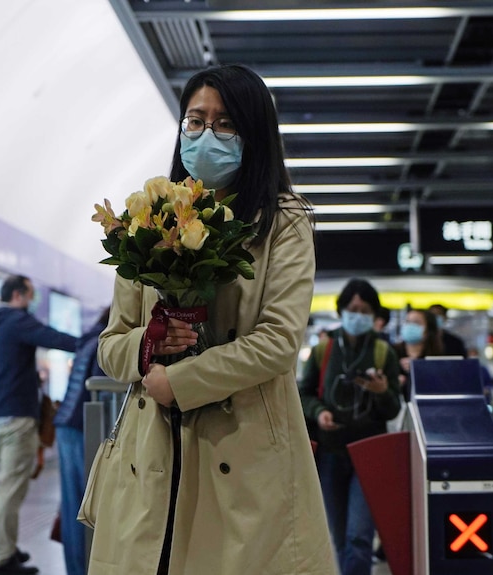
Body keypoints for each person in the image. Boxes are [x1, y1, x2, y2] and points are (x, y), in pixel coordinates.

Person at [93, 65, 336, 575]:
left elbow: (279, 341)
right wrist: (148, 343)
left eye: (226, 124)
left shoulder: (282, 222)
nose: (207, 135)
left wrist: (178, 381)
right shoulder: (148, 220)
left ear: (255, 135)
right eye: (195, 121)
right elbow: (111, 344)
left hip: (241, 453)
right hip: (151, 455)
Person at [0, 275, 78, 575]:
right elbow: (53, 338)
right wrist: (93, 343)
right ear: (18, 295)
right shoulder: (18, 321)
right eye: (30, 296)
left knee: (10, 487)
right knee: (10, 490)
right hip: (17, 416)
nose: (31, 303)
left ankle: (7, 547)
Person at [298, 278, 402, 575]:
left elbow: (394, 407)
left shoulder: (384, 353)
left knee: (359, 535)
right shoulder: (324, 349)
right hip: (331, 452)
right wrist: (319, 413)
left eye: (364, 309)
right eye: (352, 308)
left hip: (370, 454)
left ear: (374, 314)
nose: (357, 314)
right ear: (342, 310)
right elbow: (304, 394)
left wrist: (382, 391)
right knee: (340, 536)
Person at [53, 309, 110, 575]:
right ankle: (80, 569)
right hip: (80, 427)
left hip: (67, 424)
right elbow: (104, 391)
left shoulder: (88, 338)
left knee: (72, 503)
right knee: (82, 506)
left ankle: (75, 568)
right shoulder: (103, 343)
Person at [393, 308, 443, 401]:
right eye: (408, 322)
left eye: (416, 323)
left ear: (428, 329)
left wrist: (419, 368)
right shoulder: (392, 351)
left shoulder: (438, 355)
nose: (410, 326)